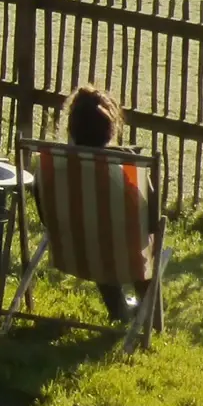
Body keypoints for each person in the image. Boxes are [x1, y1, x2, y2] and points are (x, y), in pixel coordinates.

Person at [63, 82, 142, 322]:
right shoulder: (120, 168)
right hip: (119, 249)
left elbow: (44, 212)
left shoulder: (56, 164)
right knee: (138, 242)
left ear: (72, 127)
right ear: (109, 128)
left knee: (94, 238)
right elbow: (146, 217)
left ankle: (118, 309)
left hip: (71, 247)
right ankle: (151, 313)